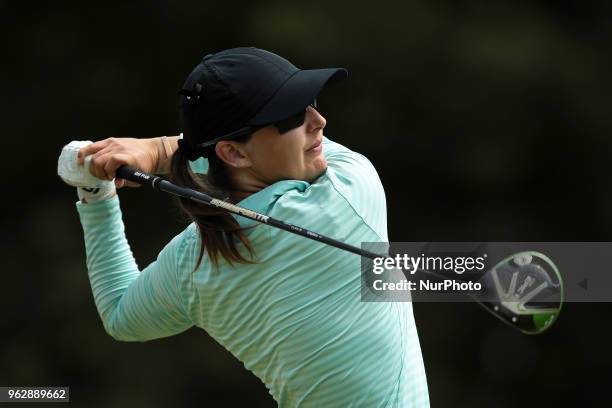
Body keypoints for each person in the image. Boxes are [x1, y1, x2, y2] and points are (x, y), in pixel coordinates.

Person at [67, 47, 430, 407]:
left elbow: (119, 314)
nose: (318, 121)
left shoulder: (192, 262)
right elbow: (219, 157)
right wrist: (159, 150)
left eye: (312, 102)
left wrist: (96, 196)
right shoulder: (347, 194)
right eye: (291, 117)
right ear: (235, 153)